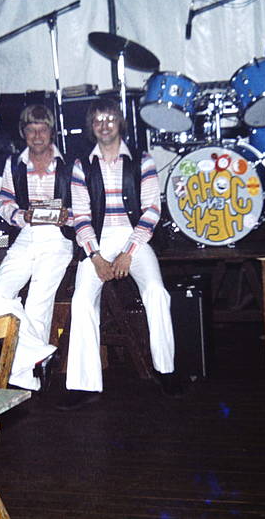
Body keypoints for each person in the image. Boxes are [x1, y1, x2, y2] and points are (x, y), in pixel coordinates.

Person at [56, 98, 182, 411]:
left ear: (120, 123)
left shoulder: (143, 160)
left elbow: (152, 211)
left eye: (110, 119)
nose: (104, 126)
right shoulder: (81, 165)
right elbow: (81, 216)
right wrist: (96, 257)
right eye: (98, 120)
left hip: (135, 236)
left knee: (156, 292)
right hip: (97, 240)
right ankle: (84, 384)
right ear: (91, 126)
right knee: (82, 300)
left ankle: (167, 371)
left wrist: (128, 252)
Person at [0, 104, 74, 390]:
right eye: (31, 129)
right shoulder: (14, 163)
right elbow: (4, 202)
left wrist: (67, 217)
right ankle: (42, 354)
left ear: (52, 131)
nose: (37, 136)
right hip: (25, 235)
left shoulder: (69, 164)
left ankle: (29, 381)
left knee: (37, 304)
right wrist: (20, 215)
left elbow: (86, 207)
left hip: (57, 238)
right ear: (23, 132)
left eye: (43, 129)